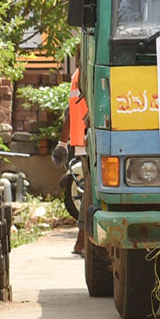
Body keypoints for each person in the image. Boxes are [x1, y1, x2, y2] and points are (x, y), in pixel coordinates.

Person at [52, 68, 89, 255]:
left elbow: (70, 112)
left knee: (88, 195)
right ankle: (82, 242)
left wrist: (62, 143)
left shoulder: (76, 75)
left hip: (82, 142)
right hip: (92, 141)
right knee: (91, 195)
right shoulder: (90, 70)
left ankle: (82, 242)